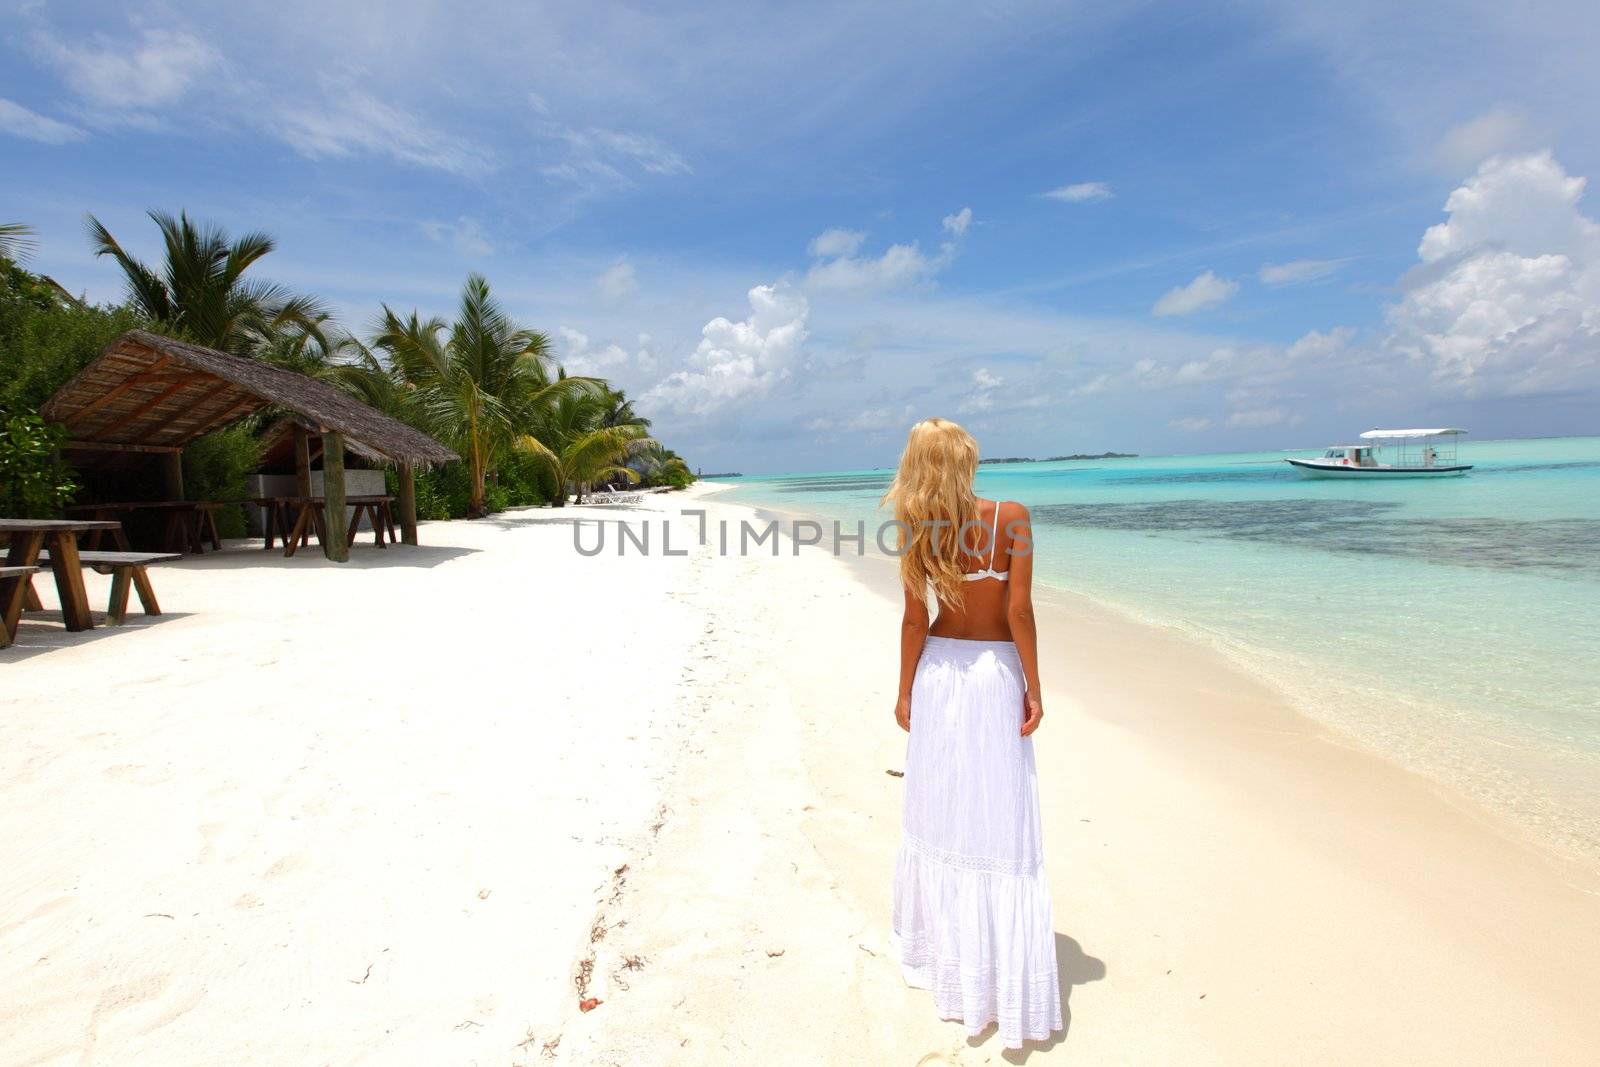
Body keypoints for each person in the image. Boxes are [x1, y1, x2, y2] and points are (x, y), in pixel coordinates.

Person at [881, 417, 1062, 1048]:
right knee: (998, 813)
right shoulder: (1010, 515)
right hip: (991, 676)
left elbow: (913, 617)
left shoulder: (913, 526)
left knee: (944, 811)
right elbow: (1018, 610)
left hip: (939, 673)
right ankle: (994, 968)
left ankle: (946, 953)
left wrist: (905, 691)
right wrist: (1034, 686)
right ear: (965, 460)